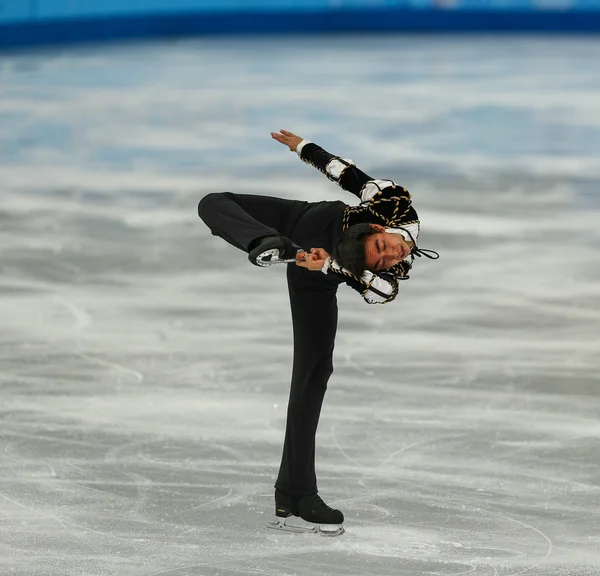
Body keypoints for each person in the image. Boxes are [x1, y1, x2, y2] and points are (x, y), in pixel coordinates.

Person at [197, 129, 438, 536]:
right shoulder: (393, 205)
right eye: (382, 249)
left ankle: (296, 492)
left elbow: (383, 293)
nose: (393, 254)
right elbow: (347, 175)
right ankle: (263, 242)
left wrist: (331, 267)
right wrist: (304, 148)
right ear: (376, 229)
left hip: (316, 271)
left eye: (383, 258)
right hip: (298, 223)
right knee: (213, 202)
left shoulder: (387, 270)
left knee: (312, 376)